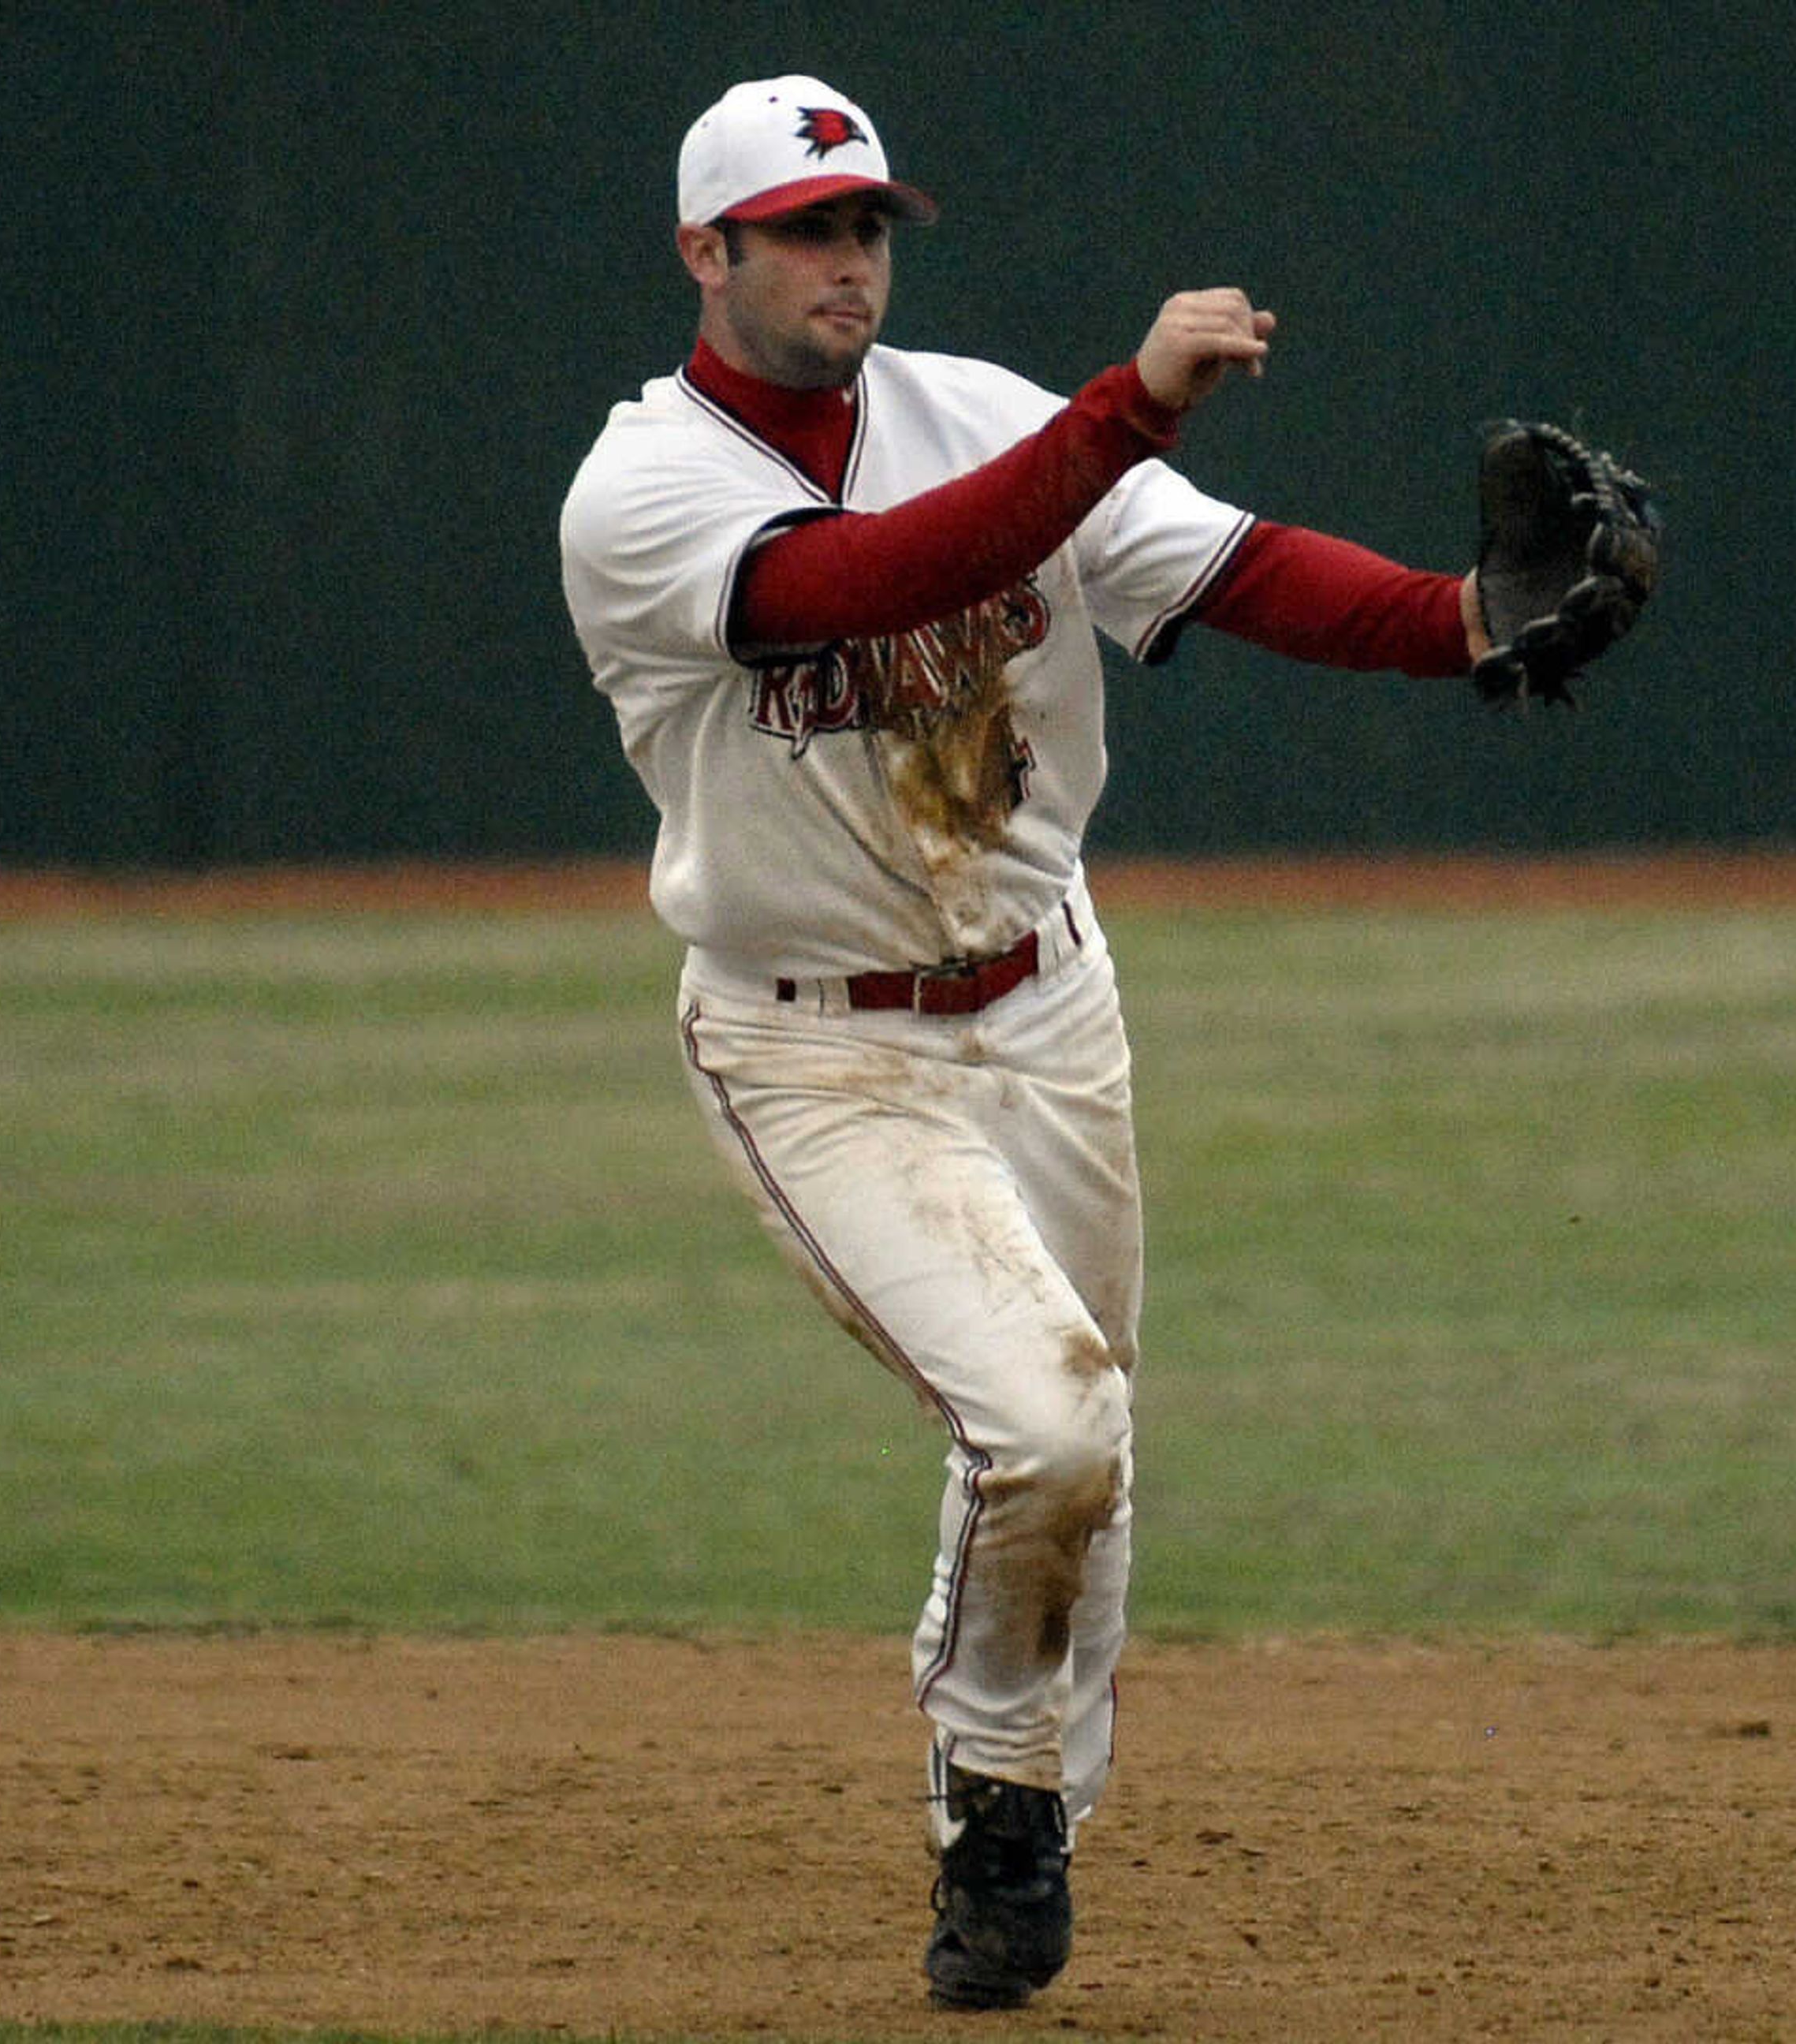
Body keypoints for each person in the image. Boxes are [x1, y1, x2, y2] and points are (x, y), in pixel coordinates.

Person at [557, 75, 1537, 2011]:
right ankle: (998, 1777)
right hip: (817, 1049)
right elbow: (865, 583)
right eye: (806, 228)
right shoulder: (642, 488)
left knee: (1090, 1445)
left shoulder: (981, 409)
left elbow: (1232, 570)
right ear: (707, 251)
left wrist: (1468, 622)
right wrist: (1134, 405)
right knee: (1045, 1418)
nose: (851, 261)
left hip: (1046, 994)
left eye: (870, 227)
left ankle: (1016, 1818)